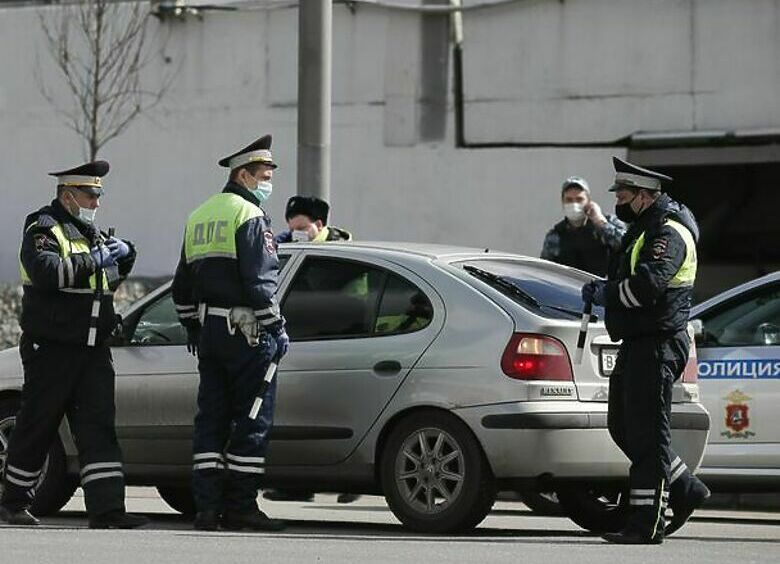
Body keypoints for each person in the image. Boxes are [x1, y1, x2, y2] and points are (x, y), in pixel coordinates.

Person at [0, 161, 147, 529]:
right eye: (90, 195)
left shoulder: (90, 233)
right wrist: (94, 258)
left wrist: (125, 254)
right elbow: (48, 273)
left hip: (93, 348)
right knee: (38, 425)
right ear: (68, 195)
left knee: (98, 428)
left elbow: (108, 279)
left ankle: (108, 510)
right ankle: (13, 503)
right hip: (53, 348)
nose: (96, 202)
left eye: (98, 195)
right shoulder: (43, 228)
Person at [581, 157, 710, 545]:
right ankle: (685, 487)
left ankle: (645, 523)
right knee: (622, 427)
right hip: (637, 342)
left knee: (648, 437)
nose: (617, 199)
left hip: (657, 342)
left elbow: (646, 287)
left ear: (643, 195)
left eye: (623, 193)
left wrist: (605, 293)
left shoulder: (667, 234)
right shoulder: (643, 229)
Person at [172, 134, 289, 532]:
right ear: (243, 174)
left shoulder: (199, 216)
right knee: (252, 417)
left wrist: (193, 324)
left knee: (211, 420)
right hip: (248, 334)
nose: (268, 183)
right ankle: (241, 506)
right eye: (264, 175)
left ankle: (206, 509)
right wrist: (277, 327)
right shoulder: (249, 217)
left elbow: (181, 286)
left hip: (210, 334)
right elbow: (260, 281)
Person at [267, 194, 359, 505]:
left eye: (301, 227)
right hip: (296, 342)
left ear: (319, 225)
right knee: (296, 415)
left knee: (338, 413)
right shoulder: (286, 249)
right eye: (290, 227)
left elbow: (353, 304)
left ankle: (353, 478)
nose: (295, 232)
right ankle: (296, 483)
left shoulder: (341, 253)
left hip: (337, 344)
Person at [541, 176, 626, 276]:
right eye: (569, 200)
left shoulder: (608, 222)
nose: (574, 204)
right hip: (569, 288)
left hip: (603, 288)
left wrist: (600, 222)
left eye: (579, 199)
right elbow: (545, 271)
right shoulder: (556, 235)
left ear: (588, 202)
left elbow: (626, 244)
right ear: (562, 202)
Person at [274, 195, 352, 245]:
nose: (295, 234)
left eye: (301, 228)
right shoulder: (283, 242)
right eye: (292, 230)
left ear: (318, 225)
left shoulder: (337, 250)